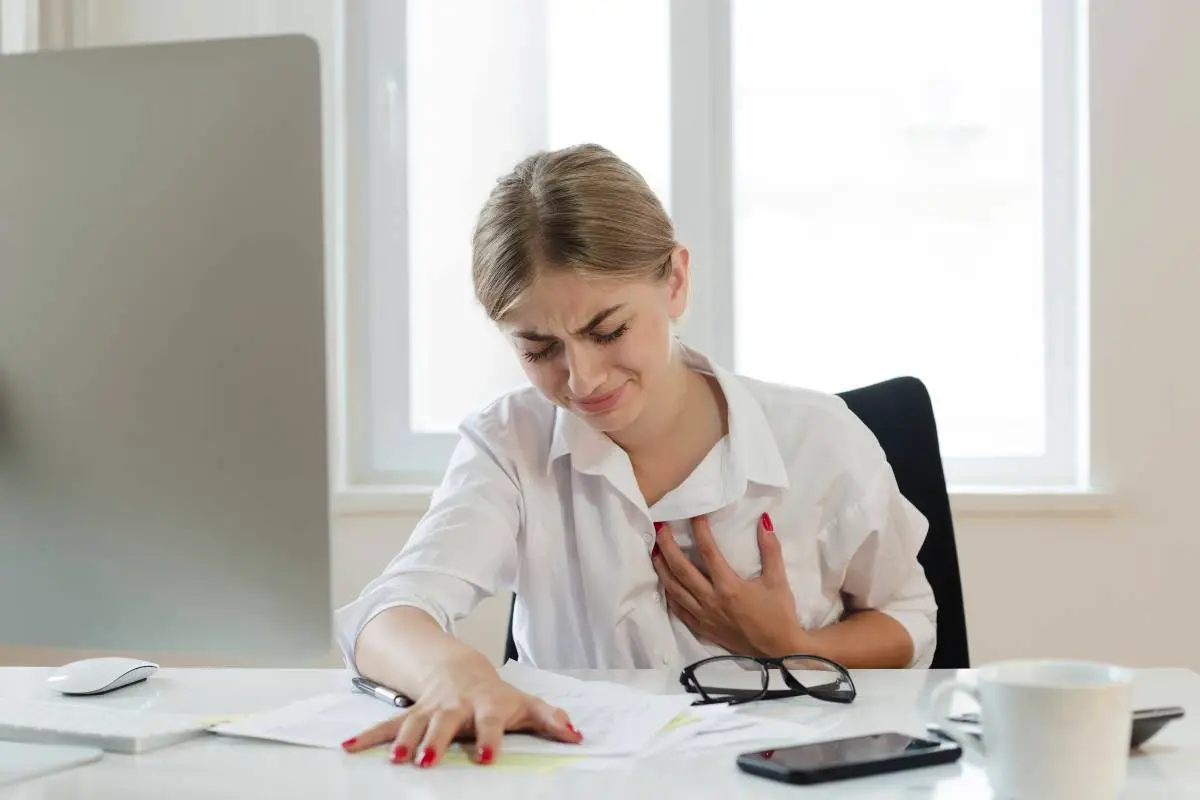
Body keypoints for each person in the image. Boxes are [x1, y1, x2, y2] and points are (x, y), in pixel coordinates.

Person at [336, 143, 937, 768]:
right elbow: (386, 613)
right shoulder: (510, 442)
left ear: (675, 281)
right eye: (540, 350)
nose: (583, 379)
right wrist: (454, 673)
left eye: (609, 331)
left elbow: (909, 616)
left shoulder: (819, 438)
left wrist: (792, 644)